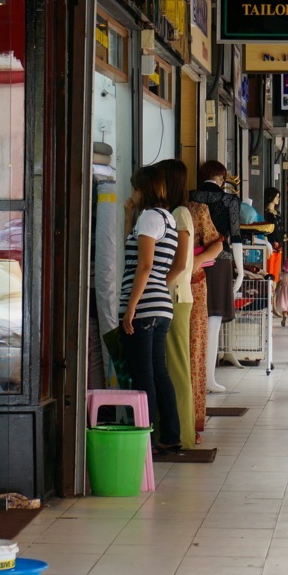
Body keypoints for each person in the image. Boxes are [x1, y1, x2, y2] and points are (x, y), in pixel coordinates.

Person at [120, 163, 184, 453]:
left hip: (144, 306)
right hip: (162, 305)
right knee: (159, 373)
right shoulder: (167, 219)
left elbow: (143, 266)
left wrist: (130, 308)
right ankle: (170, 436)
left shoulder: (148, 218)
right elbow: (139, 256)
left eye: (135, 187)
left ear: (143, 189)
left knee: (143, 374)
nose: (132, 192)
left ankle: (145, 439)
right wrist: (127, 216)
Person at [166, 160, 223, 447]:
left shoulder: (195, 211)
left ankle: (192, 423)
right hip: (168, 288)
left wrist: (195, 262)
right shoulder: (156, 214)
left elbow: (218, 243)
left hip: (194, 287)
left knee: (193, 352)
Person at [190, 160, 241, 392]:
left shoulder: (191, 197)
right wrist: (239, 270)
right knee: (213, 321)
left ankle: (196, 377)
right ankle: (208, 378)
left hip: (192, 261)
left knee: (193, 321)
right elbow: (236, 238)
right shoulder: (229, 200)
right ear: (222, 178)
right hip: (220, 261)